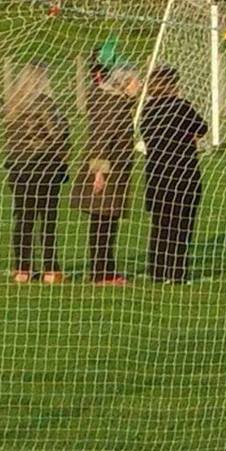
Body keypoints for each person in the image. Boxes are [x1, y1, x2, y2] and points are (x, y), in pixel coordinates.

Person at [70, 65, 141, 286]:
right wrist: (98, 172)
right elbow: (101, 138)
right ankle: (103, 273)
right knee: (103, 223)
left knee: (105, 222)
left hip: (114, 173)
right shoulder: (113, 104)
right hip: (107, 174)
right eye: (135, 81)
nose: (139, 85)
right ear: (124, 83)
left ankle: (103, 270)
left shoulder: (116, 102)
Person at [3, 61, 70, 284]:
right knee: (47, 218)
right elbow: (57, 133)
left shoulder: (12, 104)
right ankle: (51, 269)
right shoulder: (44, 103)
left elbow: (9, 139)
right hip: (43, 165)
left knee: (24, 218)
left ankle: (22, 269)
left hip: (17, 167)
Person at [141, 66, 208, 284]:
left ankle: (158, 271)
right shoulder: (180, 106)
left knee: (160, 224)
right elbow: (202, 127)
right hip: (182, 173)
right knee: (181, 224)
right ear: (172, 85)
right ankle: (177, 272)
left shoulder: (148, 109)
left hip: (157, 173)